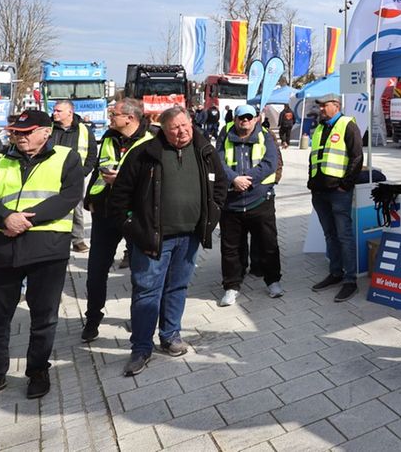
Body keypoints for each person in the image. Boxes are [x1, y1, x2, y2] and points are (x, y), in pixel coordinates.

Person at [0, 109, 83, 408]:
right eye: (15, 132)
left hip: (46, 247)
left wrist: (25, 220)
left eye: (26, 132)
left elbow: (68, 197)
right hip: (3, 246)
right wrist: (5, 218)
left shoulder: (66, 157)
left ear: (45, 132)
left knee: (44, 316)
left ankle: (38, 371)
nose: (20, 137)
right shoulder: (1, 161)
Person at [107, 107, 223, 376]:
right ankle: (141, 348)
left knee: (178, 287)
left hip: (189, 236)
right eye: (175, 128)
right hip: (153, 238)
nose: (182, 132)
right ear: (163, 129)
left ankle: (170, 335)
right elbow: (119, 198)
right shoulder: (145, 154)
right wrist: (133, 229)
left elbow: (220, 185)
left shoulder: (205, 150)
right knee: (147, 291)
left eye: (185, 126)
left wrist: (212, 215)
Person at [81, 98, 154, 342]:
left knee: (139, 272)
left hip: (135, 213)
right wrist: (89, 198)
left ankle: (138, 318)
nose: (110, 117)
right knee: (96, 271)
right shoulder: (109, 137)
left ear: (130, 118)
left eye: (114, 114)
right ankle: (92, 320)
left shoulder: (151, 139)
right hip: (105, 213)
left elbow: (155, 180)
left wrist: (122, 180)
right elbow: (98, 169)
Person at [216, 104, 283, 306]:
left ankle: (273, 281)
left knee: (268, 243)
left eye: (248, 117)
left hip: (260, 200)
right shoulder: (225, 134)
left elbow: (271, 162)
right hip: (231, 203)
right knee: (231, 248)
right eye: (241, 118)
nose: (244, 121)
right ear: (235, 119)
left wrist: (247, 180)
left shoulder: (265, 135)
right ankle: (231, 286)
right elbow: (218, 162)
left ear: (256, 119)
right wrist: (234, 179)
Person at [307, 93, 363, 303]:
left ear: (336, 105)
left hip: (338, 192)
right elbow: (314, 157)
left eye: (324, 105)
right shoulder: (320, 128)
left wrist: (345, 184)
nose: (321, 109)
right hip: (319, 192)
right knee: (330, 235)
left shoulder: (347, 124)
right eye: (319, 106)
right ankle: (335, 272)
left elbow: (357, 157)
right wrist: (311, 183)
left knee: (344, 235)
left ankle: (350, 281)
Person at [50, 101, 98, 253]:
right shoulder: (48, 128)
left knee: (76, 208)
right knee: (50, 204)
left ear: (70, 112)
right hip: (50, 174)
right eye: (54, 110)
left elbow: (92, 154)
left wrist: (83, 172)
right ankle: (52, 238)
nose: (54, 113)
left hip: (74, 176)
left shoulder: (84, 130)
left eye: (58, 111)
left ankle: (78, 240)